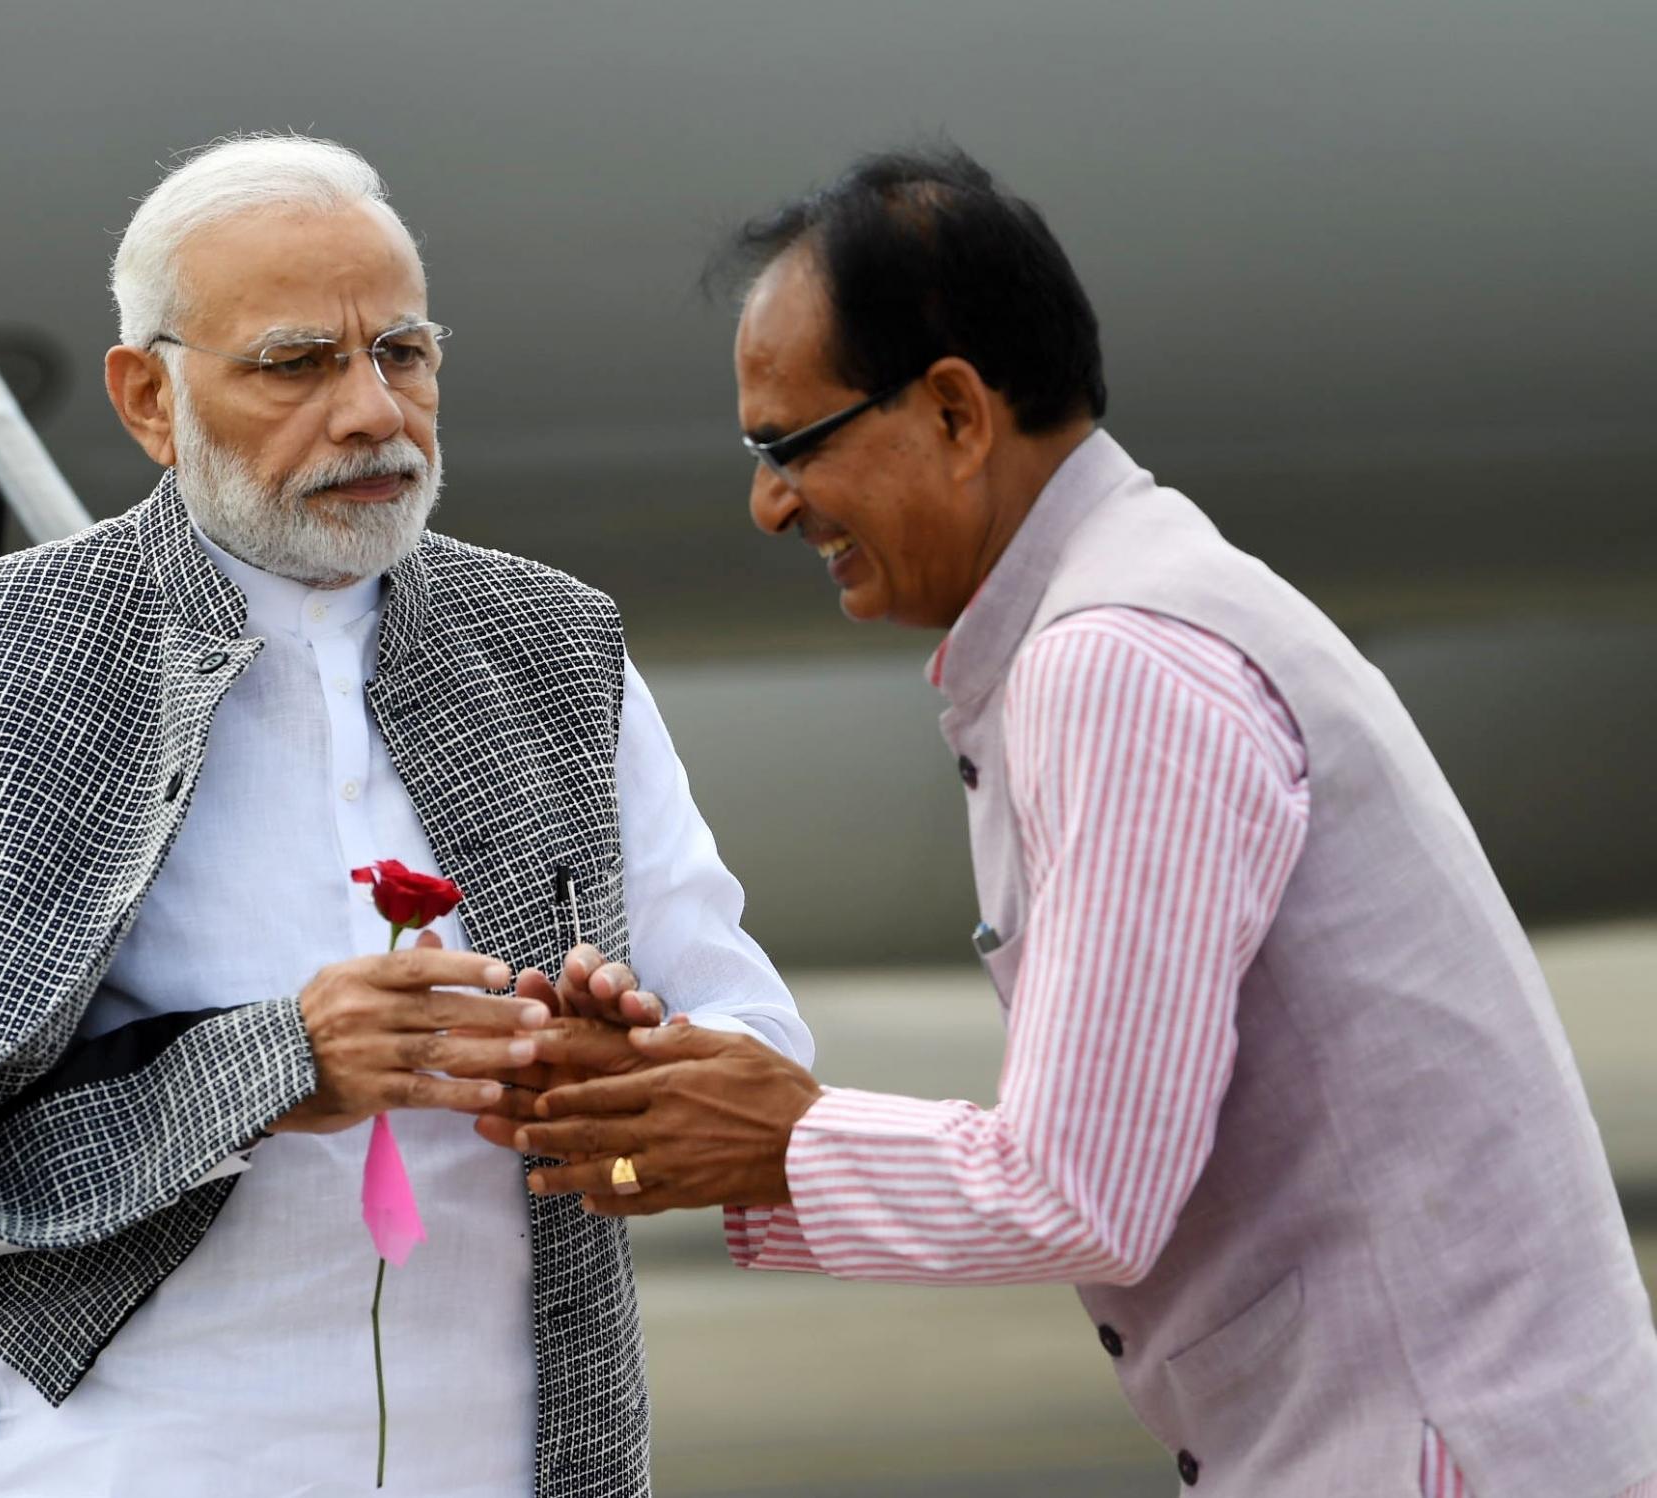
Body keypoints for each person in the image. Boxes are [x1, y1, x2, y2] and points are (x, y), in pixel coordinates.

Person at [490, 146, 1657, 1496]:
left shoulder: (1116, 663)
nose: (770, 505)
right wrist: (701, 1126)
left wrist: (775, 1136)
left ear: (954, 411)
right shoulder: (1137, 601)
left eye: (793, 445)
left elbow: (1081, 1189)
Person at [0, 134, 810, 1498]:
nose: (374, 413)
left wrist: (616, 1069)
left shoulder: (555, 647)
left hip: (515, 1458)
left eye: (403, 352)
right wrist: (274, 1069)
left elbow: (756, 1045)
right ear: (149, 398)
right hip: (123, 1464)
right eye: (297, 364)